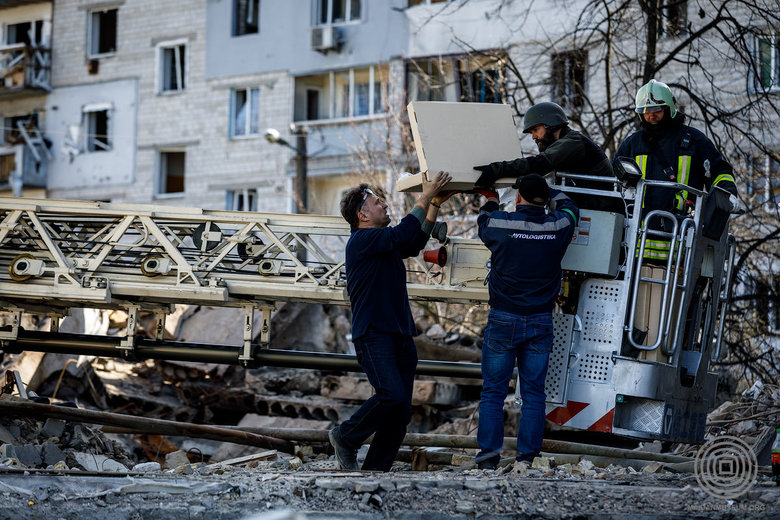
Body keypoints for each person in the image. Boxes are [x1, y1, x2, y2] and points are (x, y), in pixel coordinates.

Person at [329, 171, 452, 471]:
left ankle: (375, 470)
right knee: (391, 396)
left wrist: (433, 203)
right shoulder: (361, 241)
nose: (384, 204)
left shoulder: (381, 242)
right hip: (374, 334)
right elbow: (403, 235)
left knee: (400, 411)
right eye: (376, 202)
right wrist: (424, 196)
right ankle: (345, 436)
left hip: (399, 333)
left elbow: (411, 243)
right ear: (363, 215)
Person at [474, 173, 578, 469]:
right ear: (544, 200)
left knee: (494, 391)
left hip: (503, 319)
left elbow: (484, 218)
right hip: (540, 321)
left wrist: (491, 196)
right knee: (534, 394)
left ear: (517, 198)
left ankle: (487, 457)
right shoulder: (558, 226)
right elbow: (571, 207)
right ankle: (528, 458)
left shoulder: (501, 224)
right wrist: (550, 191)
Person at [614, 79, 739, 262]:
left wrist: (728, 193)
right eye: (645, 111)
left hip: (679, 244)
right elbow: (614, 177)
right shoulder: (633, 144)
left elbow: (719, 170)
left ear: (669, 108)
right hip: (636, 245)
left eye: (656, 110)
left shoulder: (693, 141)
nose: (651, 116)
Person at [473, 101, 613, 200]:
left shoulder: (573, 142)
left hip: (600, 211)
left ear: (551, 125)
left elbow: (538, 164)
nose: (534, 136)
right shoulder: (565, 145)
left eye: (535, 130)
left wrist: (497, 169)